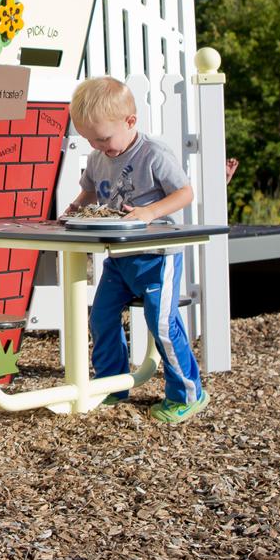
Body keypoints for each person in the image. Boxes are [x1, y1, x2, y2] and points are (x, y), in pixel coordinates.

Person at [62, 77, 209, 425]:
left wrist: (149, 212)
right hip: (119, 258)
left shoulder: (153, 154)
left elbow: (185, 193)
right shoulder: (99, 158)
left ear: (130, 121)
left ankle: (188, 392)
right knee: (100, 318)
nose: (98, 146)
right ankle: (112, 384)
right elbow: (90, 193)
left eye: (103, 138)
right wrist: (75, 207)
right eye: (89, 140)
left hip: (158, 255)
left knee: (160, 323)